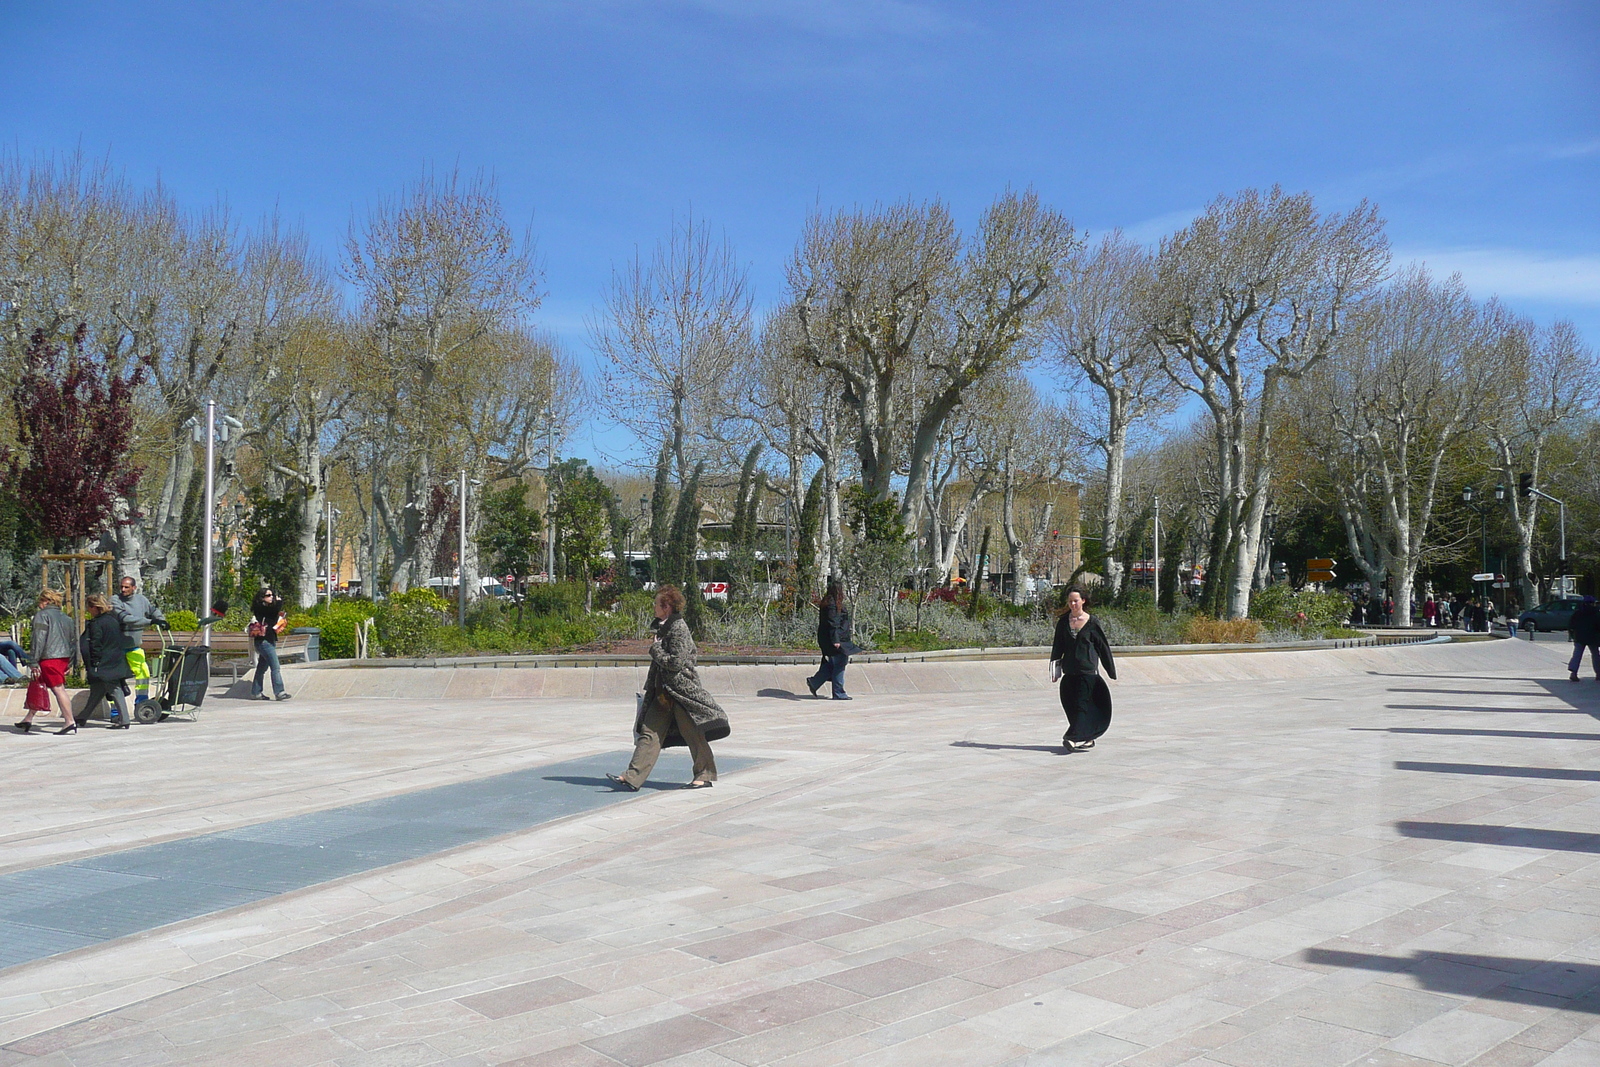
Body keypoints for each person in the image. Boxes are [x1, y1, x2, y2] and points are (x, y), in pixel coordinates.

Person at [609, 584, 729, 791]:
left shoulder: (679, 628)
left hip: (681, 692)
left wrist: (655, 649)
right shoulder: (663, 628)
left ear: (667, 607)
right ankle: (632, 777)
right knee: (649, 732)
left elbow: (676, 663)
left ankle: (704, 775)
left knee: (693, 732)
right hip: (662, 692)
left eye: (657, 603)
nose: (654, 607)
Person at [1049, 585, 1117, 752]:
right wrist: (1055, 670)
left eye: (1076, 601)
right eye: (1070, 601)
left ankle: (1071, 738)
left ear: (1083, 601)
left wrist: (1110, 670)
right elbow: (1058, 646)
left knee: (1081, 705)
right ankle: (1088, 737)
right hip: (1069, 672)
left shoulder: (1092, 622)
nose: (1073, 604)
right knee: (1071, 705)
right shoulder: (1063, 622)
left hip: (1087, 672)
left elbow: (1102, 647)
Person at [14, 590, 78, 734]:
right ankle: (28, 718)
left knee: (58, 689)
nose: (39, 605)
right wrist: (70, 662)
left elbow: (38, 640)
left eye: (40, 602)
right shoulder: (67, 618)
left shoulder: (42, 616)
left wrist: (33, 661)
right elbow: (73, 641)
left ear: (46, 601)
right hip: (63, 658)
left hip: (48, 658)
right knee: (38, 685)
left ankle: (69, 721)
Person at [79, 593, 133, 729]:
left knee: (115, 689)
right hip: (116, 660)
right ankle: (82, 717)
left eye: (89, 607)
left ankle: (124, 719)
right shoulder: (113, 620)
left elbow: (95, 644)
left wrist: (95, 663)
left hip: (104, 663)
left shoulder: (96, 623)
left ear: (95, 607)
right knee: (97, 691)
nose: (87, 610)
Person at [112, 575, 167, 701]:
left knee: (143, 673)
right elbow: (126, 619)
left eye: (126, 587)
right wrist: (150, 622)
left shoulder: (141, 599)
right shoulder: (115, 600)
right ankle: (115, 710)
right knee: (114, 678)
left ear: (134, 588)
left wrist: (161, 620)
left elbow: (153, 610)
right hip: (116, 648)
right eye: (121, 587)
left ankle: (142, 702)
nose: (123, 590)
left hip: (133, 646)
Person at [807, 580, 857, 700]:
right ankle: (838, 692)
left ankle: (814, 682)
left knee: (834, 664)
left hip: (831, 638)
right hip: (834, 639)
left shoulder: (829, 603)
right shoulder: (832, 605)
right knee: (840, 663)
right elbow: (833, 623)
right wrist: (836, 640)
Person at [249, 587, 291, 701]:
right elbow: (273, 611)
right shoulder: (260, 608)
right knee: (275, 667)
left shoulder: (267, 608)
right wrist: (279, 602)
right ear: (262, 598)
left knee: (261, 668)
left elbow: (274, 614)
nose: (271, 597)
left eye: (272, 595)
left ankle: (256, 692)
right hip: (264, 642)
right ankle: (279, 692)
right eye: (268, 595)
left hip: (269, 640)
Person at [1568, 595, 1599, 681]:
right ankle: (1598, 673)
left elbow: (1571, 624)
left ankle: (1573, 672)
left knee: (1577, 655)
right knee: (1595, 655)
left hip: (1579, 636)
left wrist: (1572, 635)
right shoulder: (1596, 613)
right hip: (1592, 637)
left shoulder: (1578, 612)